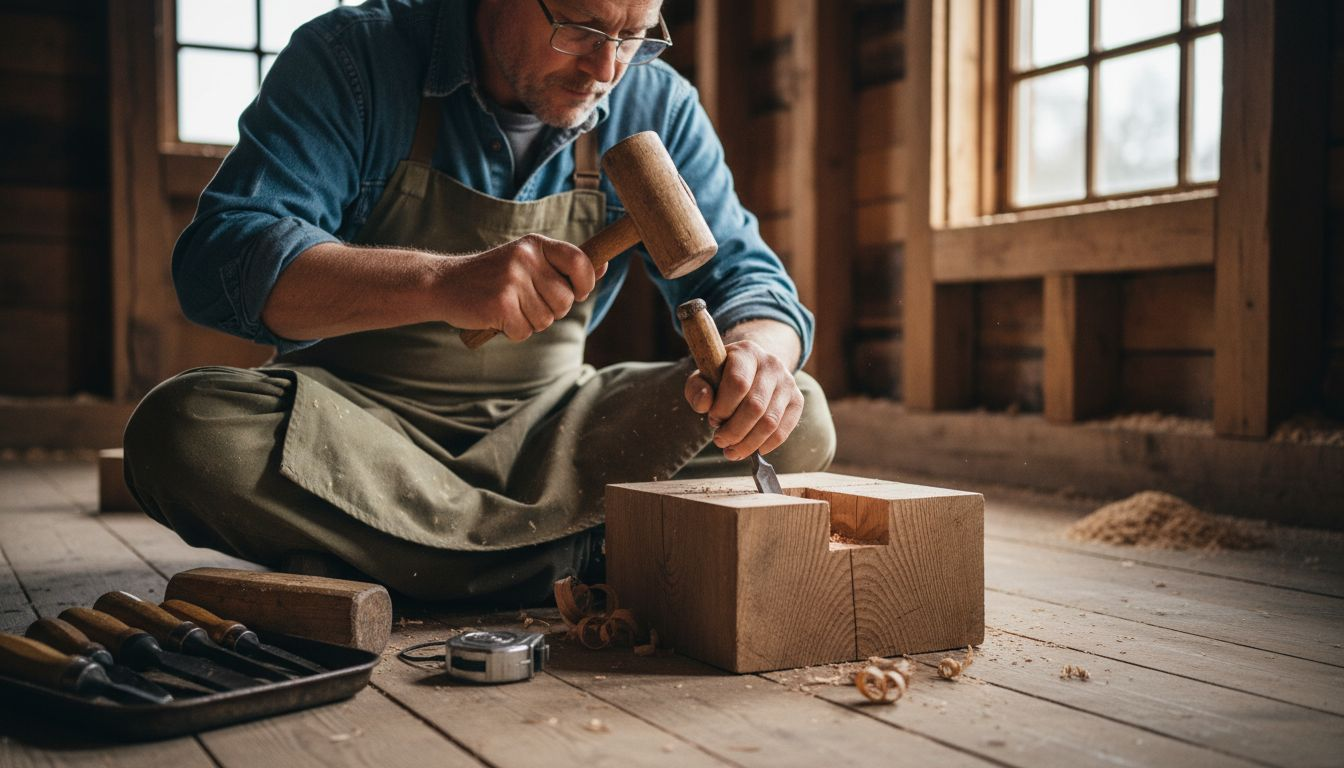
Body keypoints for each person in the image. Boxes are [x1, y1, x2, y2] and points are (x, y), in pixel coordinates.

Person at [124, 0, 836, 603]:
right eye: (581, 28)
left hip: (557, 435)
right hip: (360, 434)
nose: (606, 69)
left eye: (634, 35)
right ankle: (583, 558)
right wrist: (440, 283)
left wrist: (758, 357)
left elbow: (749, 281)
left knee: (795, 417)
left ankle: (396, 565)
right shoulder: (353, 58)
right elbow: (220, 261)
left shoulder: (655, 104)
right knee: (183, 433)